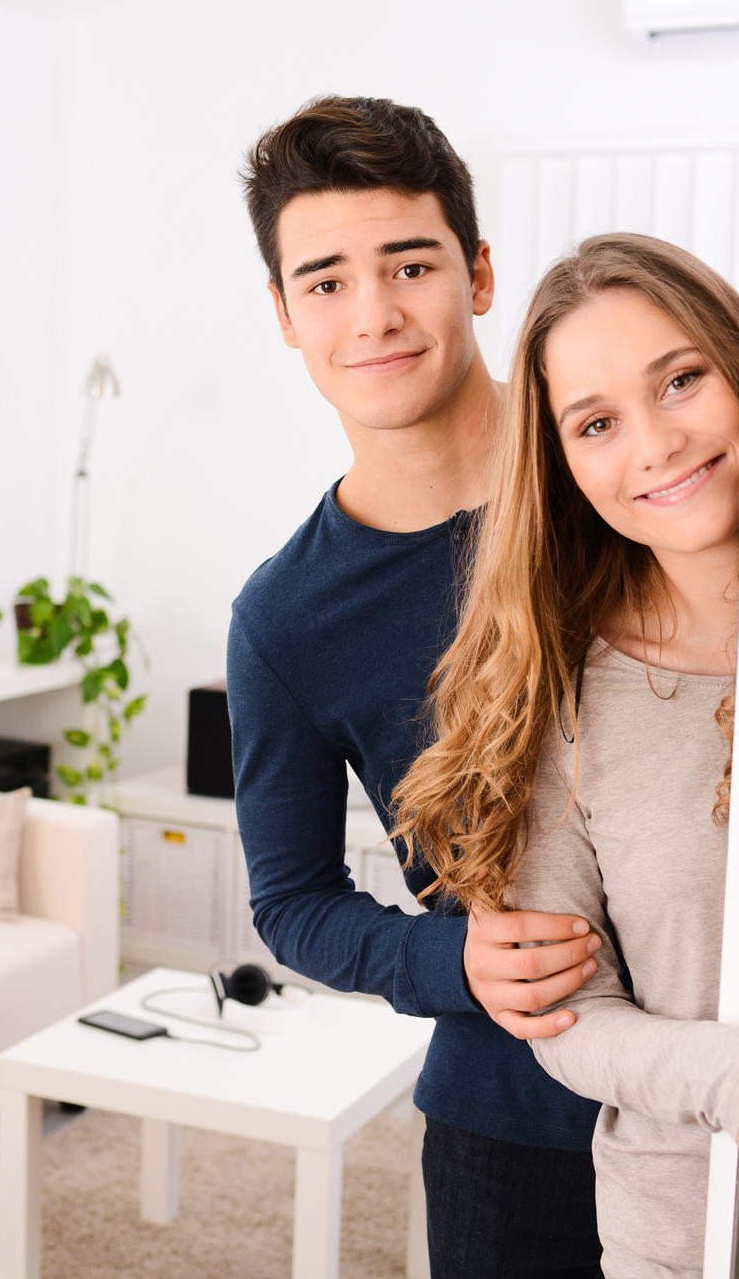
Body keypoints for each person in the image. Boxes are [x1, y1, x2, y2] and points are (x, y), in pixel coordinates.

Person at [394, 233, 739, 1277]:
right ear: (561, 464)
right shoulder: (559, 689)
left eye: (680, 379)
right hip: (678, 1226)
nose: (652, 445)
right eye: (595, 423)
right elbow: (564, 1012)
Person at [228, 96, 617, 1279]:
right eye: (327, 282)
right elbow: (289, 899)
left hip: (728, 1049)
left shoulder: (620, 475)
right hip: (511, 1106)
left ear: (480, 273)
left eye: (410, 264)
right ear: (285, 316)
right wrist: (449, 963)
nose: (375, 315)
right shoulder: (284, 614)